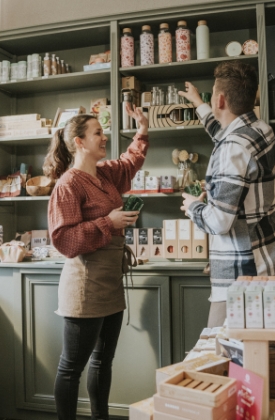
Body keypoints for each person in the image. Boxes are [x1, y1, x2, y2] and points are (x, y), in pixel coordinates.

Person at [43, 106, 149, 420]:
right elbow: (64, 240)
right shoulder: (69, 184)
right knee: (71, 367)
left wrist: (142, 130)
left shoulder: (102, 174)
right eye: (98, 133)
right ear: (79, 142)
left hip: (110, 284)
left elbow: (130, 163)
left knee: (103, 361)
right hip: (84, 287)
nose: (104, 138)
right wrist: (109, 222)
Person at [178, 61, 275, 328]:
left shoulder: (232, 147)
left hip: (240, 277)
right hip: (268, 263)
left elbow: (218, 222)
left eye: (213, 93)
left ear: (220, 99)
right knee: (259, 360)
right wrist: (197, 102)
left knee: (218, 357)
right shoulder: (261, 130)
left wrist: (193, 208)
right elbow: (222, 132)